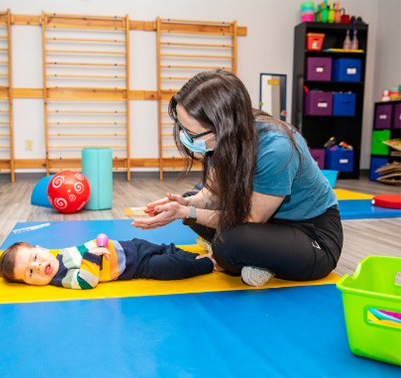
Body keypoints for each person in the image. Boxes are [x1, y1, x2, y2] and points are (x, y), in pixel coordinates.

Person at [132, 70, 342, 287]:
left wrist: (188, 212)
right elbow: (212, 193)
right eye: (182, 127)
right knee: (189, 198)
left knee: (228, 245)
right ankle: (257, 255)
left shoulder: (277, 148)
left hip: (312, 234)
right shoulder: (222, 139)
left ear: (222, 127)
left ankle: (259, 259)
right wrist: (186, 205)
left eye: (192, 134)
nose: (185, 137)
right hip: (265, 223)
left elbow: (252, 219)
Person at [0, 237, 220, 289]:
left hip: (130, 246)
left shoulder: (63, 253)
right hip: (136, 267)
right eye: (30, 273)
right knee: (167, 266)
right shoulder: (62, 278)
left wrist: (96, 242)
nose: (37, 267)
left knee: (166, 249)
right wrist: (93, 255)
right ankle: (207, 265)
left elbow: (85, 248)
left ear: (42, 249)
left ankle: (200, 256)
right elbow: (87, 280)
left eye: (34, 258)